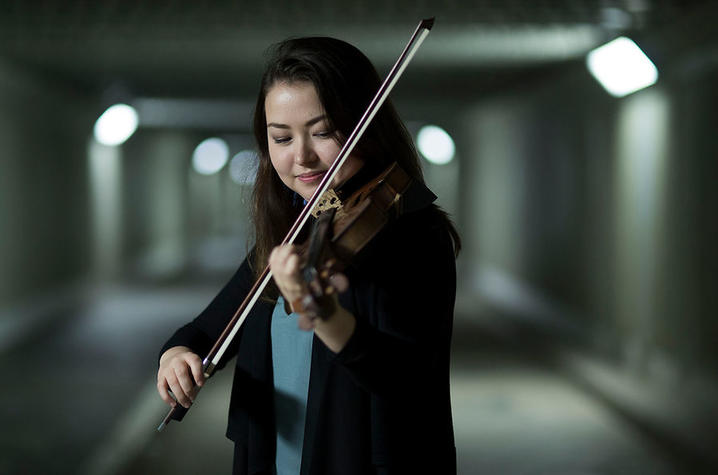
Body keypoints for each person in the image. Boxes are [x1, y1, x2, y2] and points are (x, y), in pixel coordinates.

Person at [156, 36, 461, 475]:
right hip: (272, 457)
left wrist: (323, 314)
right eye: (281, 138)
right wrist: (176, 354)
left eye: (322, 132)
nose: (302, 157)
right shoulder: (292, 233)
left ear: (366, 126)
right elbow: (208, 328)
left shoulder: (413, 235)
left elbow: (407, 379)